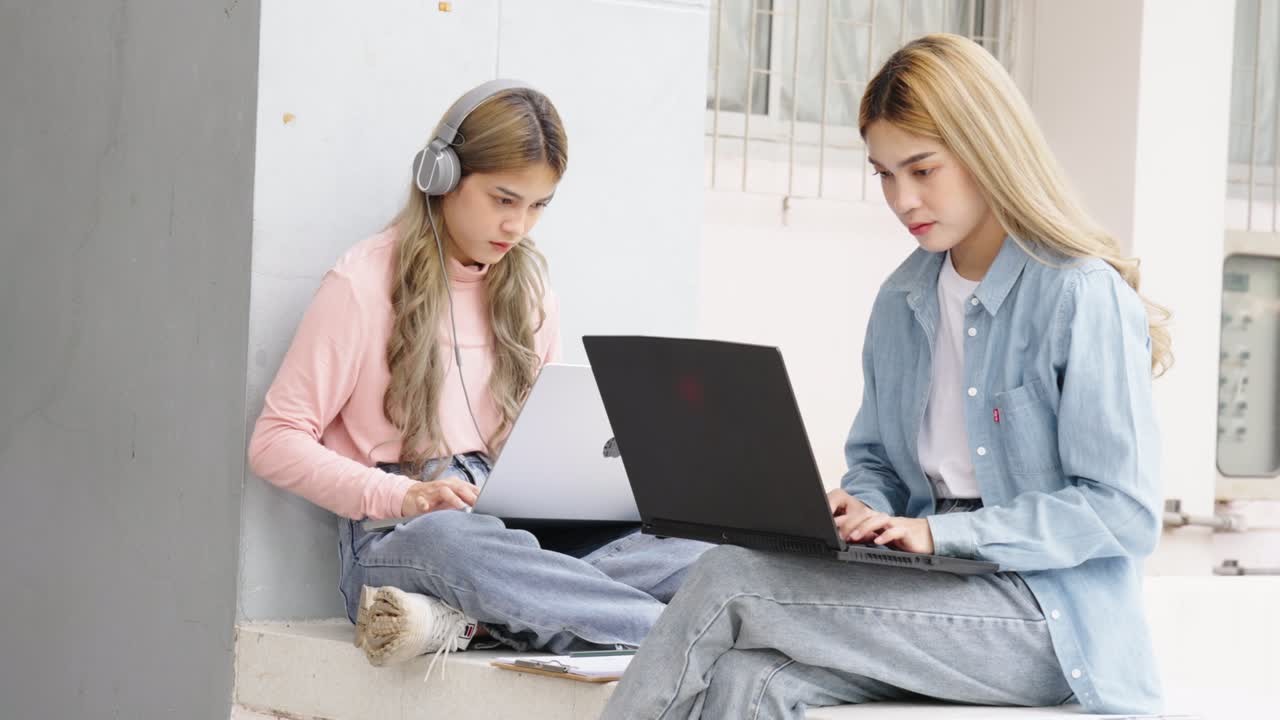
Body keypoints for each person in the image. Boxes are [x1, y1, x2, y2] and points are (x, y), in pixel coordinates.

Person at [601, 34, 1169, 718]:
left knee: (728, 580)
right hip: (932, 590)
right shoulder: (903, 298)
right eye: (884, 173)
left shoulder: (1078, 294)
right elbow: (878, 463)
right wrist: (865, 510)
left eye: (922, 169)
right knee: (750, 680)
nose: (902, 199)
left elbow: (1123, 511)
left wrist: (943, 535)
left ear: (987, 150)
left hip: (1046, 618)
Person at [249, 80, 708, 669]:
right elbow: (275, 440)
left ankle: (476, 620)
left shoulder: (532, 290)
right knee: (462, 546)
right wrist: (407, 495)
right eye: (503, 199)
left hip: (516, 530)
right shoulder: (361, 285)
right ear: (441, 176)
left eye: (538, 206)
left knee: (697, 550)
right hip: (406, 532)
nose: (518, 225)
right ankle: (686, 637)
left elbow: (542, 443)